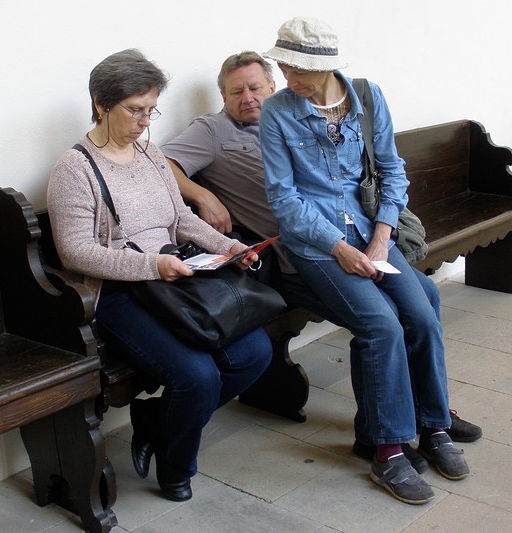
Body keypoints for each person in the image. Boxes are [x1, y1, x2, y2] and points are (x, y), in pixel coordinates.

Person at [159, 51, 482, 472]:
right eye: (235, 92)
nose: (247, 97)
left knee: (424, 300)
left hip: (350, 236)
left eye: (255, 87)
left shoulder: (299, 113)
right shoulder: (212, 131)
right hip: (295, 258)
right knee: (381, 319)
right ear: (223, 97)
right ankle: (382, 436)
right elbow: (160, 163)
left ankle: (427, 417)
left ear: (273, 86)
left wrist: (377, 234)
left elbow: (370, 167)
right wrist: (203, 194)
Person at [259, 17, 471, 505]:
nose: (290, 77)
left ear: (327, 66)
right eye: (285, 67)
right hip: (316, 244)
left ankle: (433, 427)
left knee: (422, 314)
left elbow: (392, 169)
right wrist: (340, 247)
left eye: (299, 69)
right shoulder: (278, 112)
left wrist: (381, 236)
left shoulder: (367, 97)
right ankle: (387, 451)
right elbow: (284, 199)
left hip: (372, 232)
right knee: (381, 326)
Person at [46, 49, 272, 503]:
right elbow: (75, 253)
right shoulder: (75, 169)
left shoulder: (150, 154)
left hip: (175, 278)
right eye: (135, 110)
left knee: (254, 353)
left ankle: (155, 421)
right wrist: (152, 265)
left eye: (151, 109)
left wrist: (228, 248)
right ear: (100, 104)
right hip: (119, 294)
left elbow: (181, 219)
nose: (145, 121)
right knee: (198, 377)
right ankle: (176, 467)